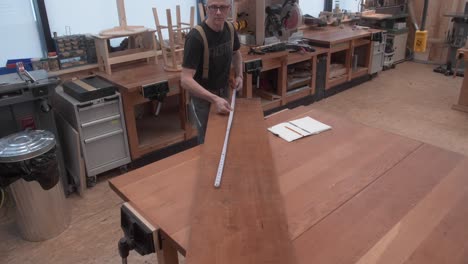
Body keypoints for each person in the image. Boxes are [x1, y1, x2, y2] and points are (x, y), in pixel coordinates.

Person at [181, 0, 243, 143]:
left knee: (226, 132)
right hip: (203, 97)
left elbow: (236, 53)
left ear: (229, 8)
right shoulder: (196, 37)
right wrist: (214, 99)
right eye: (214, 7)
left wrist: (239, 75)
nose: (218, 12)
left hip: (224, 91)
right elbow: (185, 79)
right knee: (208, 139)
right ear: (206, 8)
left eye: (223, 7)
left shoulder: (230, 29)